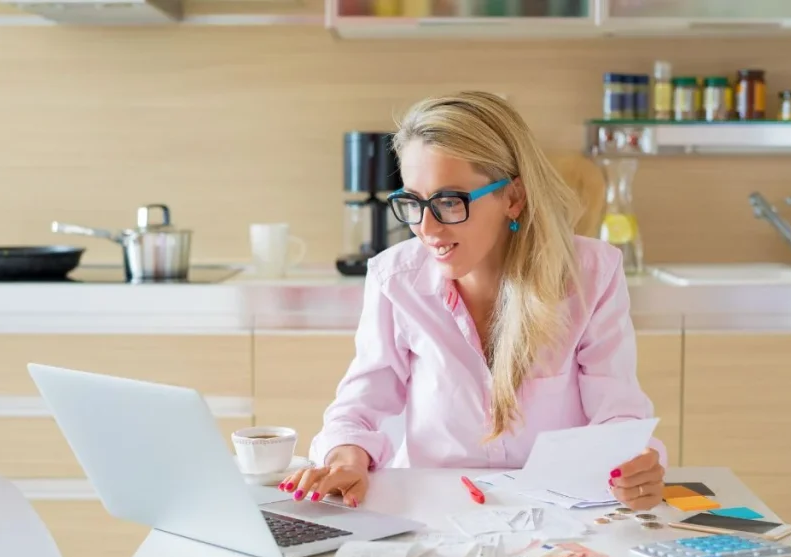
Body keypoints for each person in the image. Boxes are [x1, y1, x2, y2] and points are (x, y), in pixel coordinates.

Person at [280, 91, 666, 510]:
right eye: (413, 202)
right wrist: (346, 459)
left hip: (555, 516)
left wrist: (634, 464)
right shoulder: (396, 279)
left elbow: (618, 414)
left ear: (513, 197)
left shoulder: (590, 275)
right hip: (435, 512)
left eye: (449, 202)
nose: (426, 227)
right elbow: (358, 408)